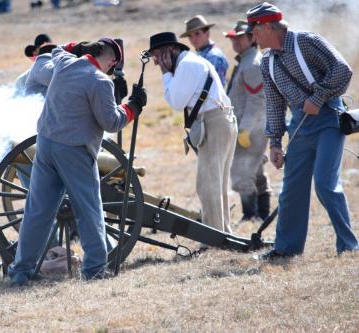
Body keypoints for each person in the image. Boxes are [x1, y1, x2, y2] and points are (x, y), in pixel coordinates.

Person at [8, 38, 147, 286]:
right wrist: (133, 107)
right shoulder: (100, 81)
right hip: (74, 152)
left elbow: (57, 50)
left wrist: (76, 47)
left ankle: (21, 271)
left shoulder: (63, 63)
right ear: (112, 62)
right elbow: (112, 122)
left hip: (46, 145)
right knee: (89, 210)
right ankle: (94, 269)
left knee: (37, 212)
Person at [245, 2, 359, 260]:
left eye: (254, 30)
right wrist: (275, 142)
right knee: (291, 190)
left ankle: (349, 245)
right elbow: (274, 104)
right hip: (300, 126)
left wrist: (318, 97)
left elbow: (342, 70)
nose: (252, 36)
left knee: (325, 185)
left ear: (267, 26)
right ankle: (286, 248)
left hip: (329, 118)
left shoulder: (306, 42)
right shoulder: (266, 62)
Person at [148, 32, 237, 235]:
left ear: (168, 52)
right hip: (219, 120)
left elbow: (176, 102)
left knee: (207, 185)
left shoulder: (186, 65)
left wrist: (166, 73)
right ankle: (222, 233)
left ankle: (214, 236)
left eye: (157, 56)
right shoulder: (189, 62)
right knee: (216, 184)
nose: (155, 62)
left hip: (213, 122)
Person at [224, 20, 271, 223]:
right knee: (256, 170)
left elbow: (257, 100)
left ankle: (250, 214)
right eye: (233, 38)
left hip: (250, 127)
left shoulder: (251, 64)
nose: (235, 41)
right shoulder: (247, 60)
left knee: (242, 170)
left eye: (239, 37)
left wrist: (244, 129)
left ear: (252, 38)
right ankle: (262, 214)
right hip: (253, 125)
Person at [180, 15, 229, 86]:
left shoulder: (214, 56)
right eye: (190, 36)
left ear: (207, 34)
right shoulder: (200, 54)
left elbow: (214, 89)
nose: (193, 39)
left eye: (197, 33)